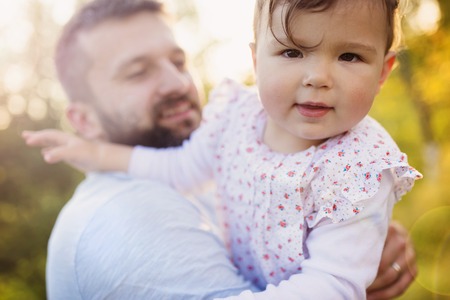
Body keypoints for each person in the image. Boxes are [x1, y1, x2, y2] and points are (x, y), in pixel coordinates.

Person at [23, 0, 419, 299]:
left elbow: (333, 276)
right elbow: (176, 167)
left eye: (178, 61)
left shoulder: (358, 167)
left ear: (382, 71)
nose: (318, 76)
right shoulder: (123, 218)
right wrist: (95, 154)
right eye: (138, 72)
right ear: (256, 60)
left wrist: (364, 244)